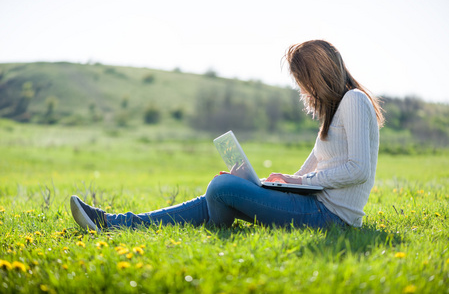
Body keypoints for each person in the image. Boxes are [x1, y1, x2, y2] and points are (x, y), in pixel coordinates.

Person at [70, 39, 384, 232]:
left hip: (329, 215)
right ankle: (116, 223)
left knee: (221, 186)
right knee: (225, 186)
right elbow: (317, 162)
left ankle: (212, 214)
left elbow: (359, 170)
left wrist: (300, 183)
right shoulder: (336, 109)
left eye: (302, 79)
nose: (302, 89)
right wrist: (283, 182)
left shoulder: (354, 101)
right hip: (314, 205)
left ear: (318, 74)